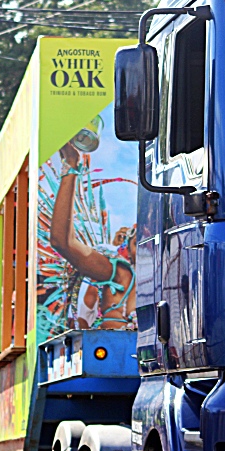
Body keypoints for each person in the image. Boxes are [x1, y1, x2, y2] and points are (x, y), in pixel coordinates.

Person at [50, 141, 137, 330]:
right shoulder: (121, 274)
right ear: (128, 247)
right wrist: (71, 167)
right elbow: (62, 242)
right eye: (138, 240)